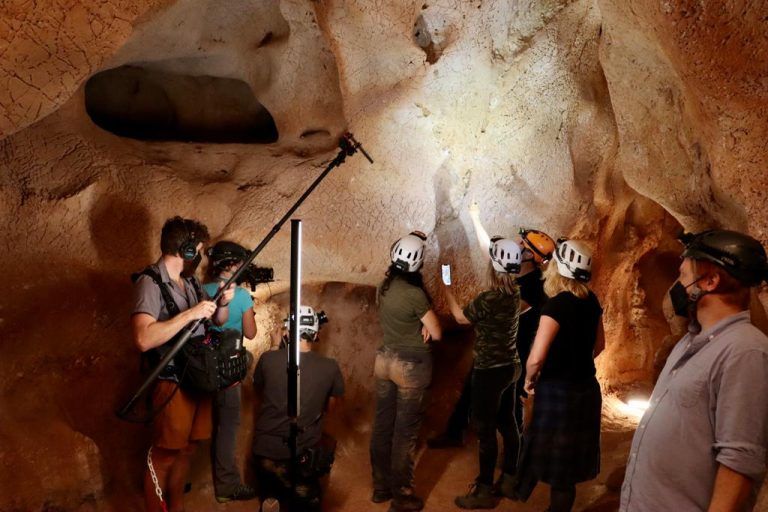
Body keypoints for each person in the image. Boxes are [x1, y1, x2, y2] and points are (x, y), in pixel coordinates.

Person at [619, 230, 768, 512]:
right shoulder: (691, 341)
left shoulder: (746, 351)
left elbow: (739, 461)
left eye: (684, 276)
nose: (677, 286)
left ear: (710, 281)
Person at [428, 203, 554, 450]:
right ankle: (458, 433)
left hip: (514, 352)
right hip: (496, 349)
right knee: (473, 389)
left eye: (520, 243)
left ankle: (512, 457)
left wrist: (447, 288)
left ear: (528, 255)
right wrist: (475, 217)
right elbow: (491, 252)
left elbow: (469, 316)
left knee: (509, 403)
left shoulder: (533, 287)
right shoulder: (518, 271)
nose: (515, 242)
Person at [131, 216, 234, 512]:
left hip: (198, 377)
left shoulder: (190, 282)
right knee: (164, 454)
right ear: (187, 250)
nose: (199, 256)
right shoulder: (149, 283)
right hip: (171, 377)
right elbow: (143, 339)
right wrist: (190, 315)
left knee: (188, 449)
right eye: (198, 249)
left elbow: (217, 320)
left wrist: (222, 303)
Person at [514, 238, 604, 512]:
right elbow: (600, 346)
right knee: (567, 468)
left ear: (558, 268)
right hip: (586, 390)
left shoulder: (556, 305)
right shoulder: (591, 300)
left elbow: (537, 356)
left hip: (558, 393)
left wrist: (530, 381)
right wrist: (575, 362)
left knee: (552, 460)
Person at [443, 236, 523, 509]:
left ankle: (485, 489)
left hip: (489, 371)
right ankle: (510, 478)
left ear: (494, 266)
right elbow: (498, 259)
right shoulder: (515, 291)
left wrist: (447, 289)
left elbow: (460, 318)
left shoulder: (489, 298)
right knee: (508, 422)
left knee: (485, 430)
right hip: (511, 366)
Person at [370, 231, 442, 512]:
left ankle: (380, 488)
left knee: (382, 425)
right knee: (404, 433)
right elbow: (436, 333)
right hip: (410, 367)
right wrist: (425, 325)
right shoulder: (414, 294)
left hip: (384, 361)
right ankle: (401, 496)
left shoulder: (383, 286)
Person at [252, 305, 344, 512]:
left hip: (266, 453)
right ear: (316, 333)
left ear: (287, 331)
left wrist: (276, 347)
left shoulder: (267, 358)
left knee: (271, 500)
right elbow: (332, 408)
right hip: (302, 456)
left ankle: (271, 502)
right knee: (306, 501)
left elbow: (261, 393)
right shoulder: (330, 366)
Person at [202, 241, 258, 503]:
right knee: (227, 427)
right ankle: (226, 486)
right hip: (228, 373)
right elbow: (250, 333)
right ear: (234, 265)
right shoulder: (243, 295)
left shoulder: (202, 290)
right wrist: (249, 310)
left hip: (203, 367)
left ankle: (201, 477)